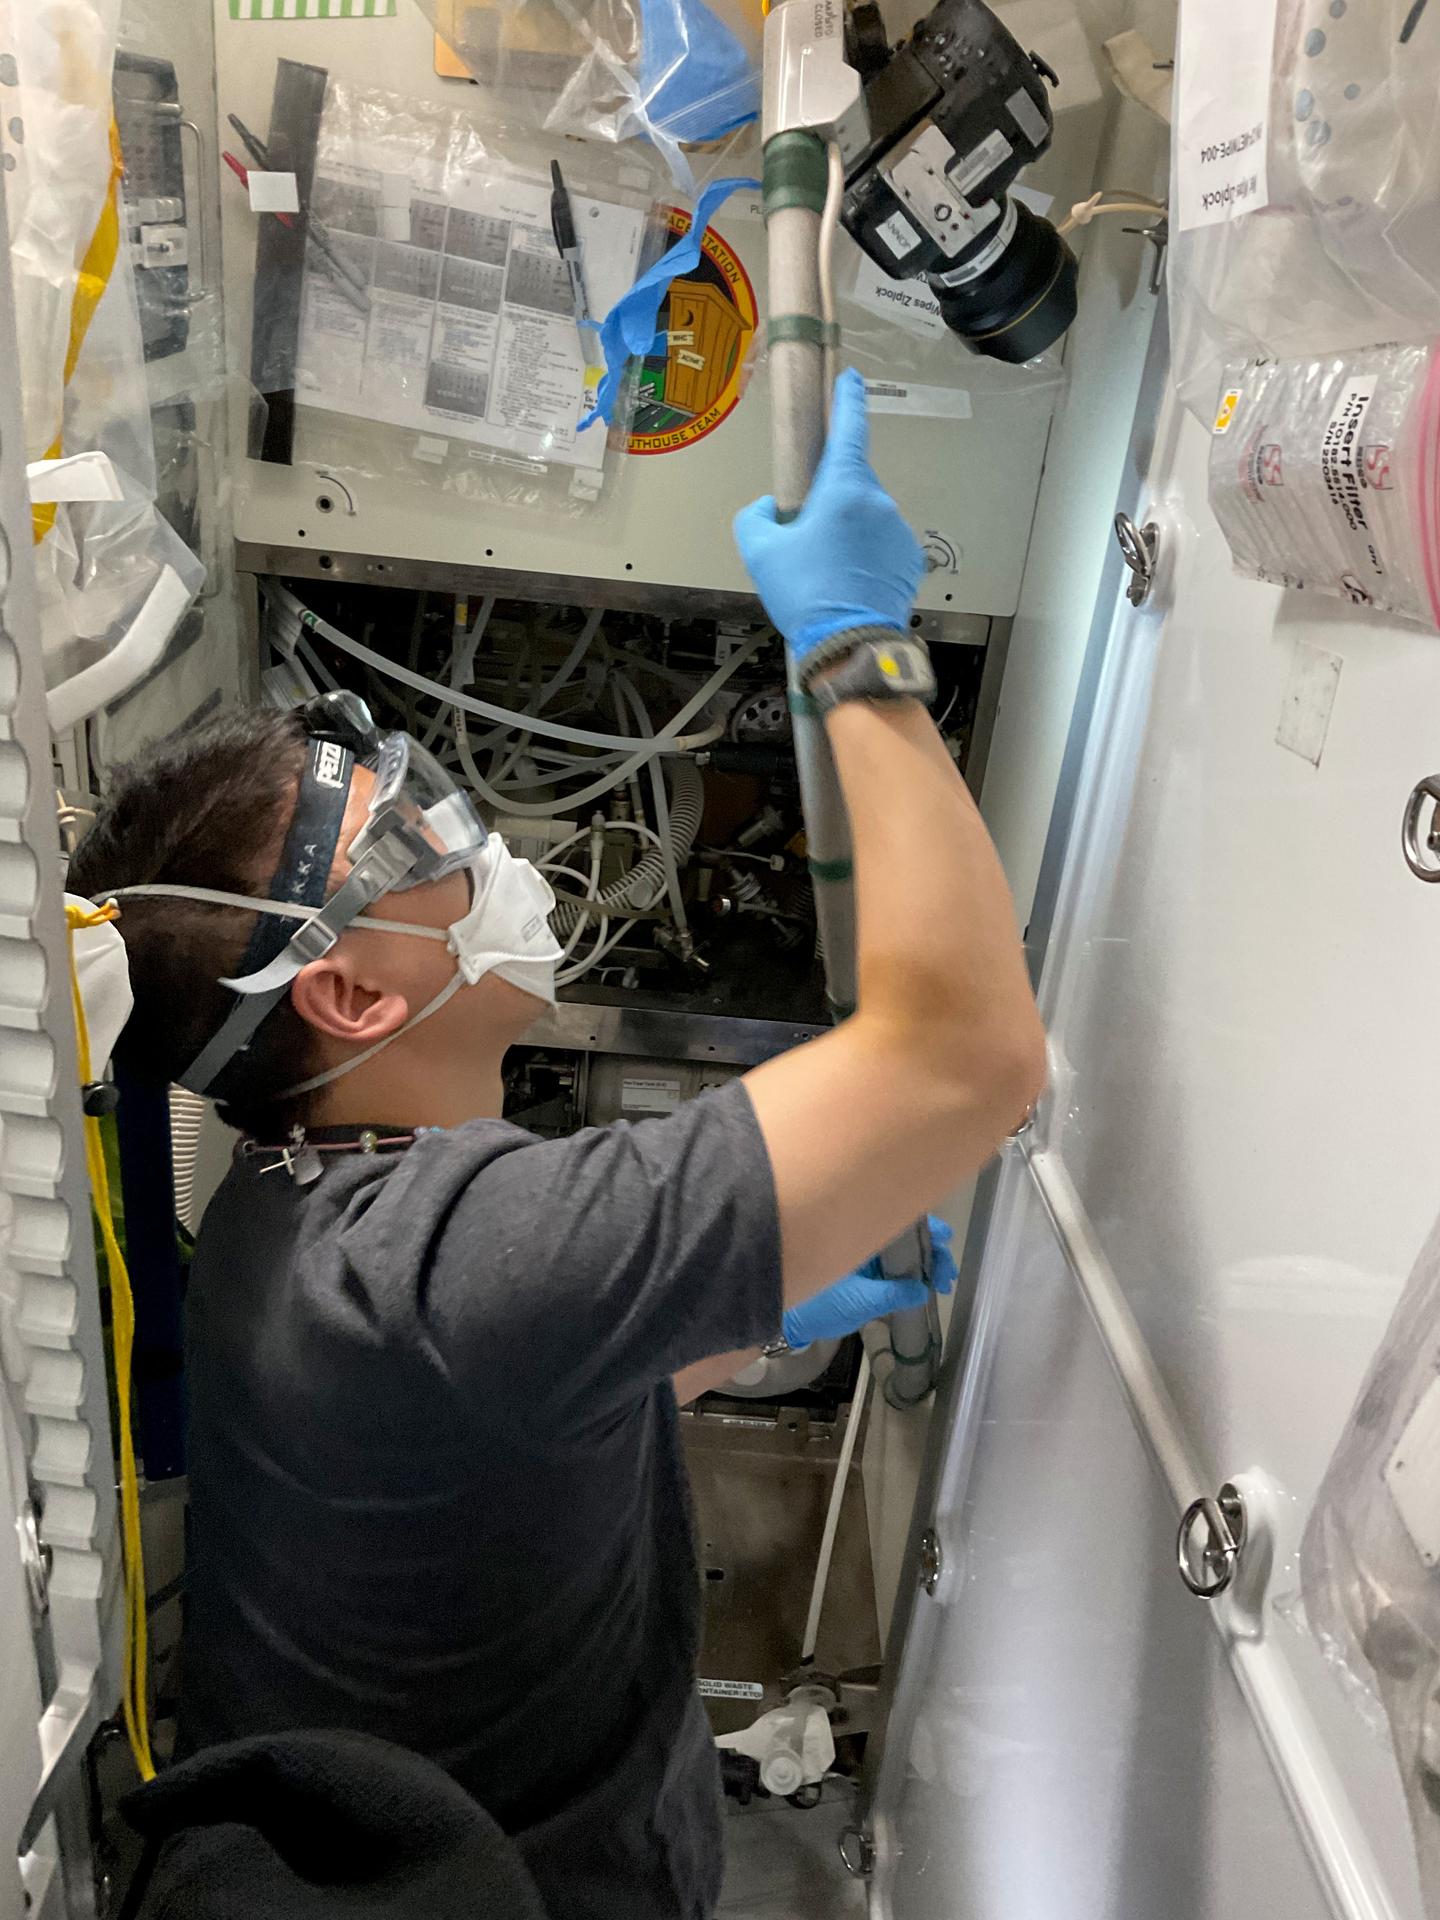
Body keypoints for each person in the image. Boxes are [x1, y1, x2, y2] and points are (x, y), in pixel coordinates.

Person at [68, 370, 1045, 1920]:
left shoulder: (286, 1208)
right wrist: (857, 647)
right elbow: (967, 1054)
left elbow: (506, 1420)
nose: (483, 844)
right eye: (423, 839)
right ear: (347, 995)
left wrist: (755, 1326)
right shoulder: (460, 1255)